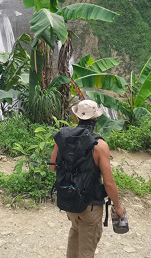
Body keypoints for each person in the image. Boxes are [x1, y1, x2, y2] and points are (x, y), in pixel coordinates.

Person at [49, 100, 126, 258]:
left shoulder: (62, 137)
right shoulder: (99, 145)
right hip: (90, 206)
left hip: (69, 201)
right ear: (96, 118)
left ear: (77, 116)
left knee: (75, 232)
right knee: (86, 250)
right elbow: (109, 183)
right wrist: (118, 206)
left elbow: (53, 167)